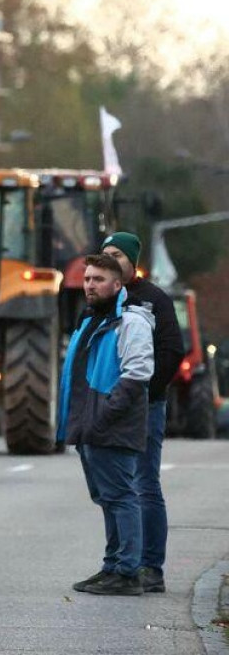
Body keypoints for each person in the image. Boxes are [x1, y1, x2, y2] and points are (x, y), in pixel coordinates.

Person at [58, 253, 155, 596]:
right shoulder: (92, 321)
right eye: (87, 279)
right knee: (108, 498)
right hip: (92, 426)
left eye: (98, 280)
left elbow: (138, 374)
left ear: (118, 284)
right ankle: (113, 565)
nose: (89, 285)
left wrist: (103, 416)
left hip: (111, 426)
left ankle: (128, 572)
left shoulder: (131, 323)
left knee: (121, 497)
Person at [101, 231, 184, 594]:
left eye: (117, 254)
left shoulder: (153, 299)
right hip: (109, 407)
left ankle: (151, 567)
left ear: (132, 260)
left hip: (146, 406)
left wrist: (145, 392)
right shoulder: (103, 298)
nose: (110, 258)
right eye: (105, 254)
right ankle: (119, 564)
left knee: (144, 484)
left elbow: (171, 352)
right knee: (115, 489)